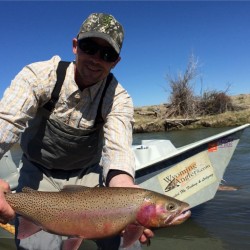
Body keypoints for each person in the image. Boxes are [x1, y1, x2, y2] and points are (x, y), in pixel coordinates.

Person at [0, 13, 153, 250]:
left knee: (127, 245)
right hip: (38, 173)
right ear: (75, 46)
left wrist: (126, 195)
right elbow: (6, 123)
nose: (95, 59)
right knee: (37, 245)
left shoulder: (119, 98)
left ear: (116, 62)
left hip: (89, 176)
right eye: (89, 47)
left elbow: (118, 150)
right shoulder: (40, 76)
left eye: (106, 54)